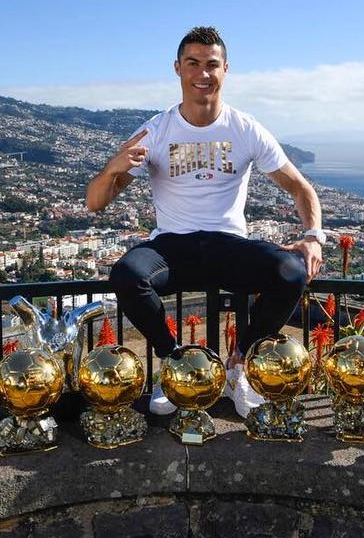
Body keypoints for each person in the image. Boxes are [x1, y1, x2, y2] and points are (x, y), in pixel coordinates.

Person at [86, 26, 324, 418]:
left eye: (212, 64)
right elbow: (95, 202)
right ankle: (175, 365)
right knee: (127, 274)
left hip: (228, 244)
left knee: (291, 271)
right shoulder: (155, 130)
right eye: (193, 63)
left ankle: (239, 365)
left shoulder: (245, 128)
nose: (203, 73)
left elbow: (300, 188)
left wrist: (313, 236)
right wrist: (112, 168)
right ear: (177, 68)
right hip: (171, 246)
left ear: (225, 70)